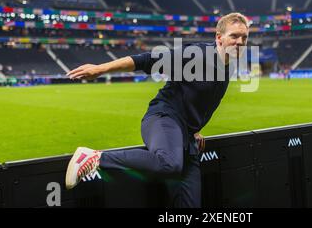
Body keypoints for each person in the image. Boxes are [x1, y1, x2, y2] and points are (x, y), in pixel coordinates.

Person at [64, 13, 250, 207]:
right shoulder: (196, 55)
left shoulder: (229, 65)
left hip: (186, 137)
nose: (240, 42)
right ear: (219, 38)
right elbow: (147, 60)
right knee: (168, 163)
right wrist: (100, 69)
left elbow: (203, 98)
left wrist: (194, 127)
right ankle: (95, 158)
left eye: (244, 38)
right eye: (234, 36)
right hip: (163, 117)